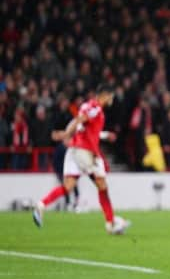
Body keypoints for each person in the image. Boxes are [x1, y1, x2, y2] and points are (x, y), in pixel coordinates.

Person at [32, 84, 130, 235]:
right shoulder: (96, 108)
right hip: (85, 152)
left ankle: (41, 205)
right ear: (105, 95)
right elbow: (80, 120)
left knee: (68, 186)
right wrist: (66, 134)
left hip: (74, 151)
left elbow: (84, 127)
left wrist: (104, 135)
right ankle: (110, 224)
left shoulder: (87, 105)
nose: (111, 100)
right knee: (102, 185)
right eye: (111, 97)